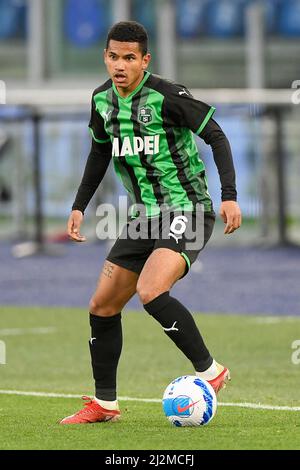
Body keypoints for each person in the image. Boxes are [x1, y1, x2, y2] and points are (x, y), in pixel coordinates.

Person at [60, 21, 241, 425]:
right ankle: (105, 405)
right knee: (102, 306)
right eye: (112, 56)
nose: (119, 65)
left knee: (151, 290)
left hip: (189, 209)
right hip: (145, 217)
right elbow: (98, 154)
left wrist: (228, 195)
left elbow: (216, 135)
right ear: (105, 57)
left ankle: (211, 373)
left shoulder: (167, 95)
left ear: (145, 60)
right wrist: (79, 206)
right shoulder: (102, 100)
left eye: (129, 58)